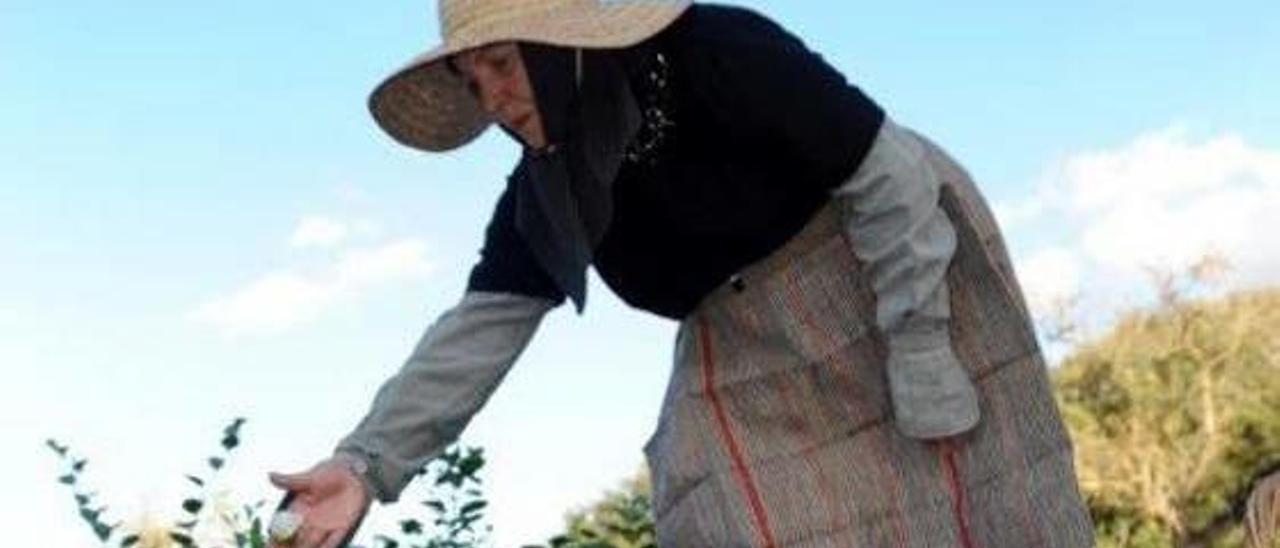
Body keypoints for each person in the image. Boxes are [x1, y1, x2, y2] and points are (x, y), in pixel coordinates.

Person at [267, 0, 1097, 546]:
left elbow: (886, 175)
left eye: (504, 67)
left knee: (981, 499)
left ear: (561, 45)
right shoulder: (547, 193)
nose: (493, 101)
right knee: (718, 513)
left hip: (884, 263)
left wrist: (920, 346)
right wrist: (365, 465)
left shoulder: (711, 50)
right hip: (740, 339)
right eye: (473, 81)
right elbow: (478, 330)